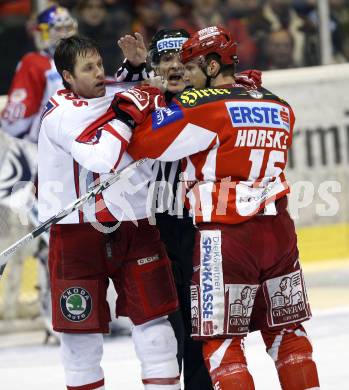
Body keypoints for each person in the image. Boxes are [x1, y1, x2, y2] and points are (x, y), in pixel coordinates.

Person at [105, 26, 321, 389]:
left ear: (210, 64)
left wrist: (145, 99)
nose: (184, 71)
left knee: (221, 341)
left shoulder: (202, 105)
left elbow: (145, 144)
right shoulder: (279, 104)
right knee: (288, 334)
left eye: (191, 64)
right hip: (279, 233)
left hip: (226, 235)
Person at [38, 35, 180, 390]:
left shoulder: (115, 95)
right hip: (77, 235)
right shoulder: (60, 114)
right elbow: (101, 157)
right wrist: (129, 110)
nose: (99, 73)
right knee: (80, 339)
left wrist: (135, 71)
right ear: (67, 77)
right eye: (88, 68)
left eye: (100, 64)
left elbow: (127, 96)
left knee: (156, 329)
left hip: (135, 224)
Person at [1, 4, 78, 143]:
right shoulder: (34, 63)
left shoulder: (84, 59)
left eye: (69, 27)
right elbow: (15, 122)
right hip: (40, 149)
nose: (66, 34)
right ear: (44, 32)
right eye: (59, 28)